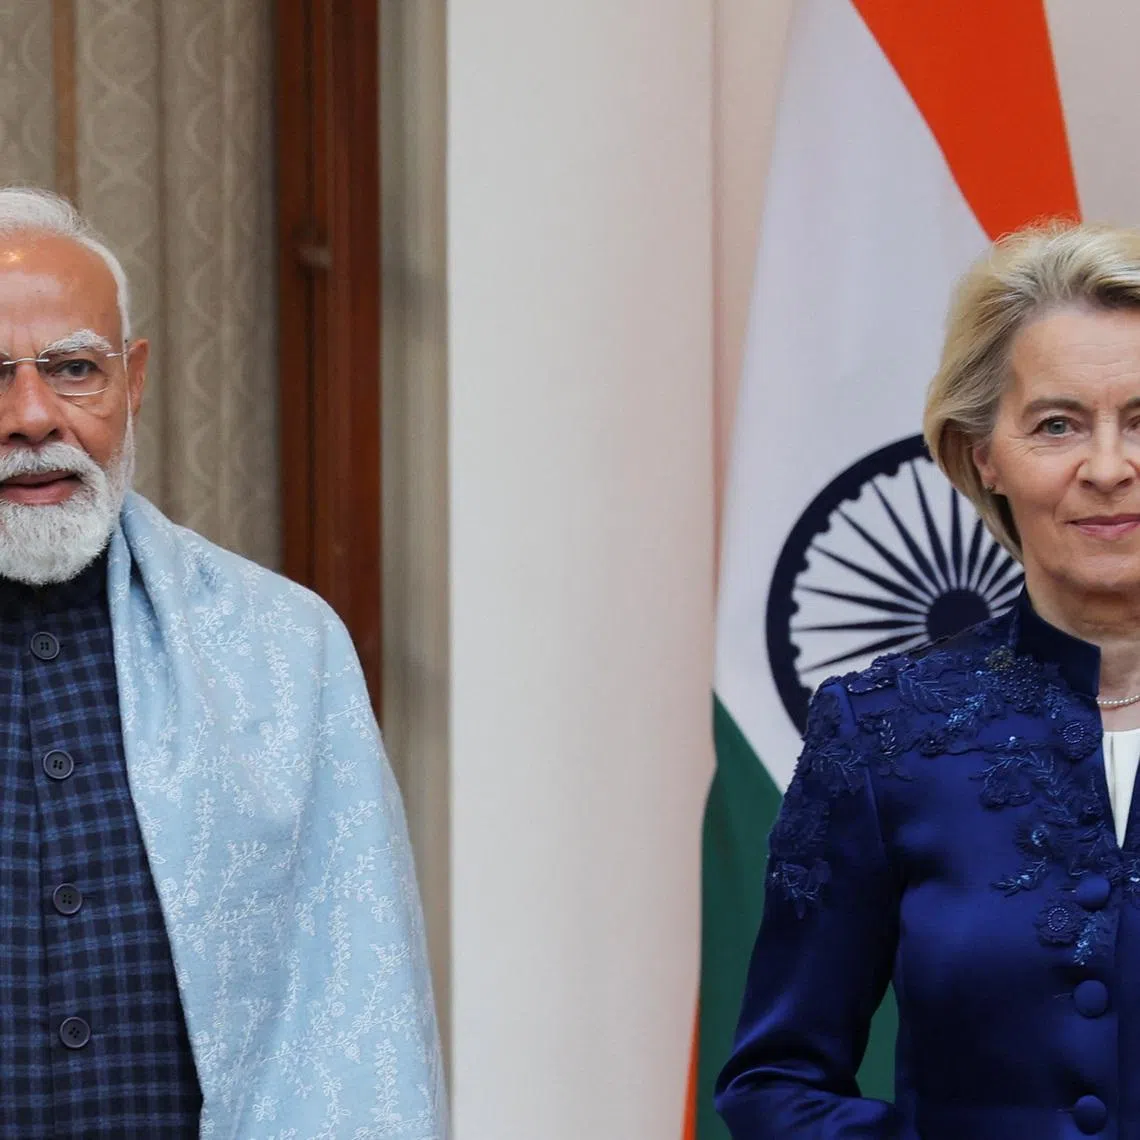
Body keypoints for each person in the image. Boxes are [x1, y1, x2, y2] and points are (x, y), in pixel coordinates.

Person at [0, 187, 445, 1138]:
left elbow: (358, 1015)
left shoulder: (284, 652)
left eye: (74, 368)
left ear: (136, 380)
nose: (32, 417)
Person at [715, 221, 1140, 1139]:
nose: (1109, 468)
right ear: (984, 454)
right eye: (1058, 424)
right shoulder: (882, 733)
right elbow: (777, 1082)